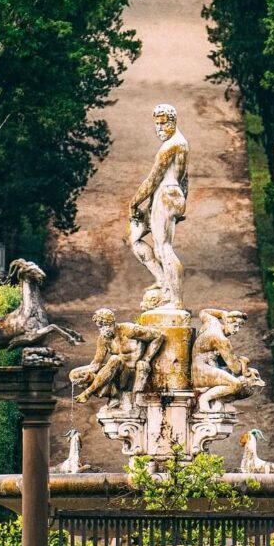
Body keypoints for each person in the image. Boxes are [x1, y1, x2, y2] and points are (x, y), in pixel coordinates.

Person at [129, 103, 189, 311]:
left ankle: (176, 300)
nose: (160, 130)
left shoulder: (171, 146)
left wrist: (134, 202)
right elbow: (185, 178)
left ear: (173, 122)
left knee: (164, 248)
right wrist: (182, 202)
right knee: (135, 239)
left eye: (163, 125)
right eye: (157, 126)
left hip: (165, 194)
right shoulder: (179, 143)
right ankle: (163, 281)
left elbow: (152, 179)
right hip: (165, 196)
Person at [70, 308, 165, 407]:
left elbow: (158, 336)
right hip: (115, 376)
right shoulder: (104, 338)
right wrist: (84, 374)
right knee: (74, 374)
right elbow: (96, 364)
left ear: (113, 323)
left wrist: (146, 359)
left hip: (130, 375)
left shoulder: (130, 330)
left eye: (106, 326)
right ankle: (114, 394)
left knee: (115, 359)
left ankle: (88, 393)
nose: (103, 330)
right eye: (100, 327)